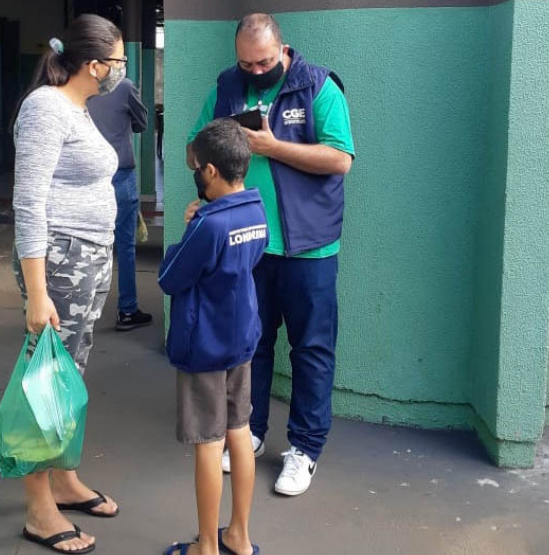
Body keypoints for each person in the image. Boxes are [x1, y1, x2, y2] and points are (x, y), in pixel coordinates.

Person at [187, 13, 355, 497]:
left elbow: (340, 159)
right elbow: (192, 151)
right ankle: (250, 432)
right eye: (245, 63)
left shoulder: (318, 86)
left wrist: (272, 147)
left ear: (283, 49)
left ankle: (304, 449)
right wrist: (208, 175)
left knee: (312, 350)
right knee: (250, 346)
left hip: (311, 247)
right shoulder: (227, 86)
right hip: (247, 245)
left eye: (263, 62)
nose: (255, 71)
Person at [11, 14, 128, 554]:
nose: (120, 72)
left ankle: (63, 477)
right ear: (95, 64)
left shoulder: (77, 108)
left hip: (87, 258)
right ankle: (39, 509)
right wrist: (38, 292)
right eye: (119, 62)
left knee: (70, 374)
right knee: (47, 380)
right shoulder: (45, 108)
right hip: (59, 261)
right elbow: (29, 203)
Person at [160, 119, 267, 555]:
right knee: (239, 430)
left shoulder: (207, 225)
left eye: (195, 167)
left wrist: (188, 229)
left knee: (208, 441)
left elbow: (171, 277)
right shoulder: (255, 210)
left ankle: (206, 545)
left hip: (204, 345)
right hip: (241, 338)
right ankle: (238, 536)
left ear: (209, 172)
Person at [87, 77, 153, 331]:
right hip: (120, 174)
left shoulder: (77, 83)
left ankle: (83, 312)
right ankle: (127, 310)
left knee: (89, 242)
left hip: (89, 175)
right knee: (125, 246)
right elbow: (142, 122)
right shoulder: (124, 86)